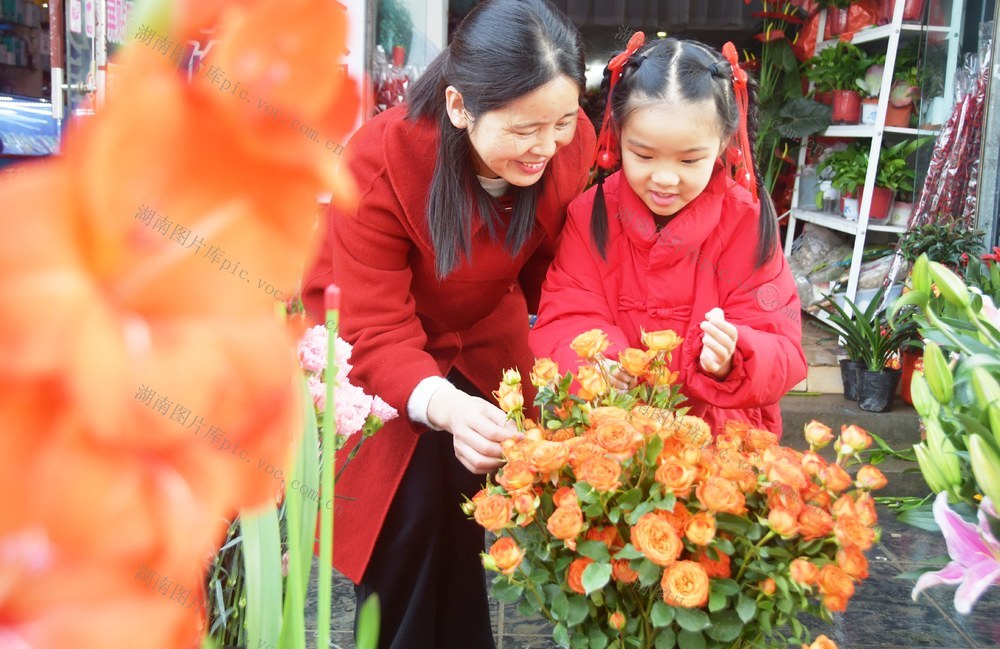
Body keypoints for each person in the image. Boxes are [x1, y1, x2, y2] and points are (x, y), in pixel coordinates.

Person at [301, 1, 595, 647]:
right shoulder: (381, 159)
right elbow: (372, 323)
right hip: (371, 343)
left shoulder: (569, 152)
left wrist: (579, 360)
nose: (546, 147)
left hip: (485, 333)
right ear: (460, 107)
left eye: (564, 122)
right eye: (524, 129)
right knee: (402, 522)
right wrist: (444, 404)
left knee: (469, 512)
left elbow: (558, 275)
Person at [529, 34, 806, 436]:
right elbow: (567, 313)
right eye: (643, 155)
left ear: (724, 143)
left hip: (717, 437)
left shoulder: (746, 222)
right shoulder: (590, 215)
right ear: (617, 134)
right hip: (613, 431)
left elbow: (781, 344)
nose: (664, 178)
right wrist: (598, 362)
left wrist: (734, 355)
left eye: (690, 159)